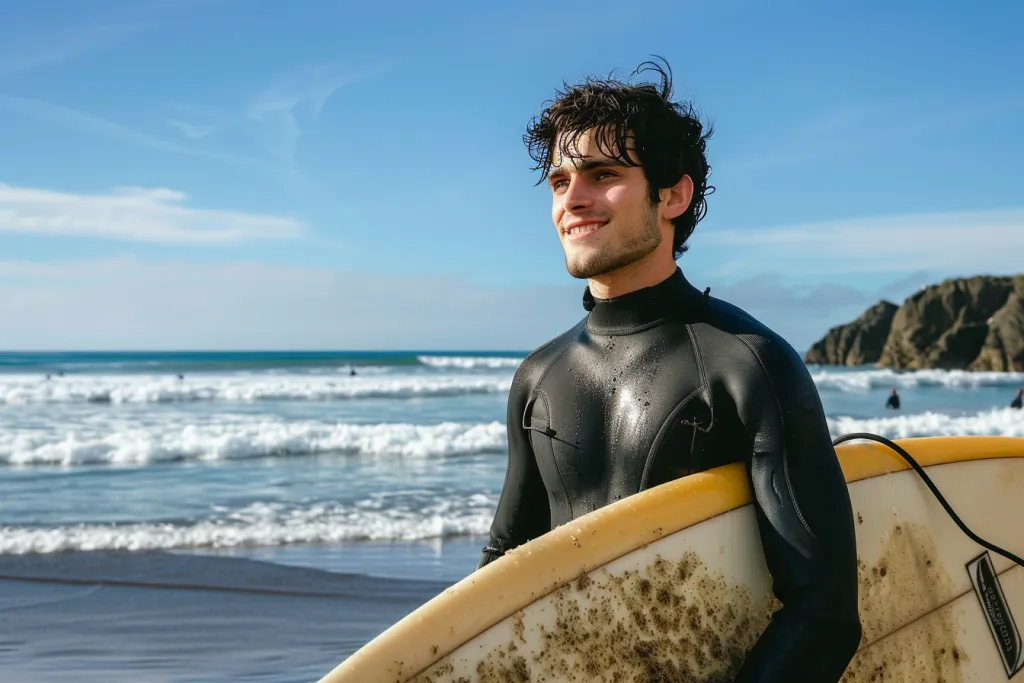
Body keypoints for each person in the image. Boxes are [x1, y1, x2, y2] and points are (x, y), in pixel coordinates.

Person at [477, 59, 861, 681]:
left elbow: (825, 612)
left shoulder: (749, 365)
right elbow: (502, 572)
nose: (573, 199)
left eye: (603, 175)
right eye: (559, 181)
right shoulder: (537, 377)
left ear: (672, 195)